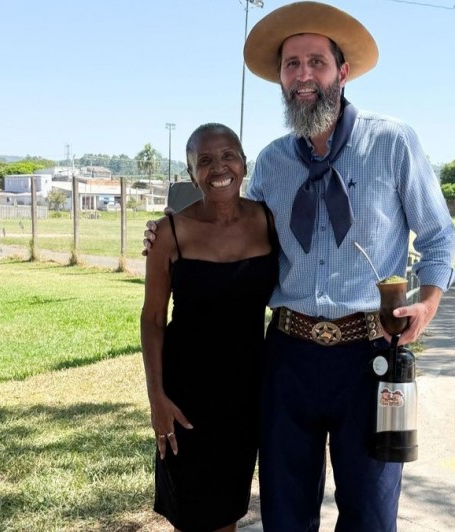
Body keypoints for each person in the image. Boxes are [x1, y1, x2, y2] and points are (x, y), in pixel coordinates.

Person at [144, 3, 455, 530]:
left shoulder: (393, 142)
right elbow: (232, 218)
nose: (303, 75)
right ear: (282, 80)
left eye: (316, 62)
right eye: (292, 65)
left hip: (370, 357)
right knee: (285, 515)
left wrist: (427, 303)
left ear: (342, 72)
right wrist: (168, 226)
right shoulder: (269, 162)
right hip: (287, 358)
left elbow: (438, 235)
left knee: (370, 514)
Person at [139, 123, 279, 532]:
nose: (219, 167)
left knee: (229, 509)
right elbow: (151, 318)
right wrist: (156, 399)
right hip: (187, 398)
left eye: (228, 155)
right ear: (191, 174)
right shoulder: (170, 233)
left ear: (244, 162)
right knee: (194, 513)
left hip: (247, 393)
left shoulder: (269, 221)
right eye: (205, 160)